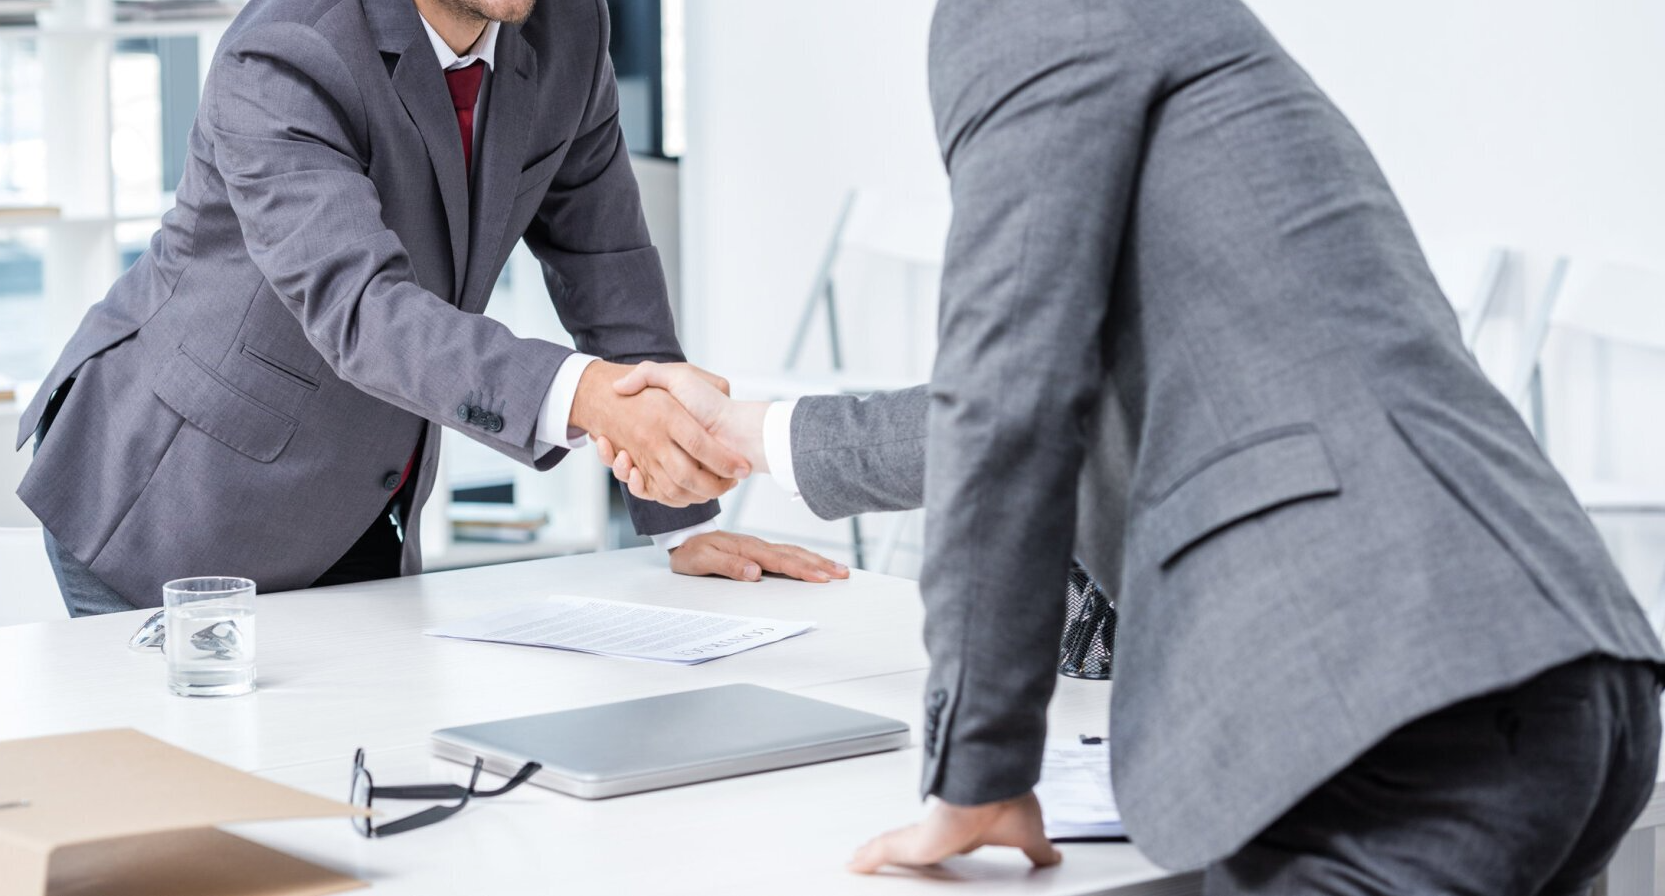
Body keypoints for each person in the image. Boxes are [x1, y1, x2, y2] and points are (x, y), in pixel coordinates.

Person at [601, 0, 1665, 889]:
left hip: (1386, 711)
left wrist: (978, 768)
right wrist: (751, 433)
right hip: (1553, 669)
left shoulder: (1029, 12)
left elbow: (1007, 397)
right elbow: (1068, 387)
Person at [15, 0, 845, 615]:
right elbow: (362, 308)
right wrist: (589, 400)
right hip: (170, 505)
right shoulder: (288, 51)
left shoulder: (568, 32)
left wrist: (679, 519)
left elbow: (606, 262)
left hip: (356, 509)